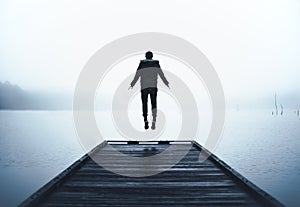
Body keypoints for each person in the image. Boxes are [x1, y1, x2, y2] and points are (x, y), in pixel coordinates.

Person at [129, 51, 169, 130]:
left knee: (144, 104)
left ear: (146, 56)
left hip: (144, 87)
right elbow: (161, 74)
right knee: (154, 104)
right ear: (152, 56)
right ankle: (154, 120)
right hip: (153, 87)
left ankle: (145, 120)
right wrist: (166, 83)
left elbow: (137, 74)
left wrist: (132, 84)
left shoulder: (142, 64)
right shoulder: (156, 64)